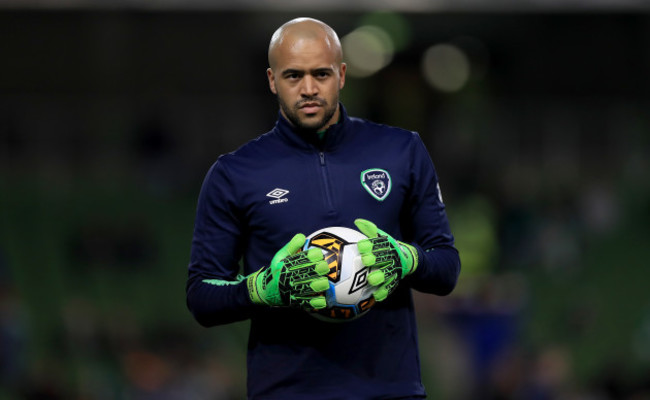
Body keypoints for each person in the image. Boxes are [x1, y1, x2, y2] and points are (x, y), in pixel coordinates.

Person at [186, 17, 461, 400]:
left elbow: (446, 266)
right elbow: (202, 296)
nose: (309, 88)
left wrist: (407, 259)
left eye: (321, 74)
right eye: (293, 76)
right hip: (286, 391)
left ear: (342, 74)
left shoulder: (401, 151)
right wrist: (262, 288)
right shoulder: (235, 173)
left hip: (390, 389)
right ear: (271, 80)